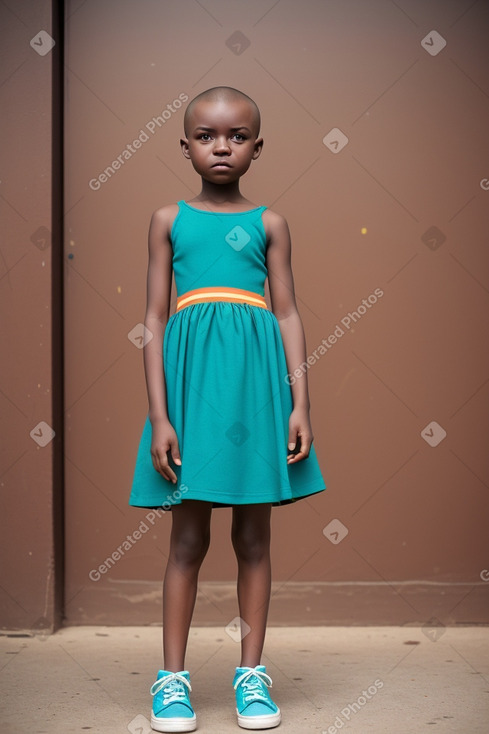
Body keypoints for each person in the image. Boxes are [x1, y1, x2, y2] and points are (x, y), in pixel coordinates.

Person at [129, 86, 327, 732]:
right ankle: (172, 680)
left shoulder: (270, 223)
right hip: (191, 389)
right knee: (187, 538)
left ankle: (250, 674)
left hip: (254, 387)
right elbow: (154, 321)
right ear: (184, 145)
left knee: (253, 537)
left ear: (256, 148)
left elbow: (290, 312)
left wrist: (300, 402)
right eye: (207, 136)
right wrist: (160, 416)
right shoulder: (168, 219)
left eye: (236, 137)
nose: (221, 146)